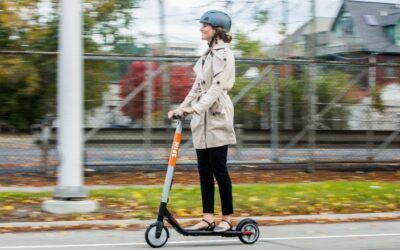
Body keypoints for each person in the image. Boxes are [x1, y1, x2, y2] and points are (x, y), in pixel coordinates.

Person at [168, 10, 236, 233]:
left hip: (216, 115)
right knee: (204, 171)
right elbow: (197, 87)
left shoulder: (224, 55)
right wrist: (181, 108)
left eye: (204, 25)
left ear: (217, 29)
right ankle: (208, 217)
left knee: (219, 170)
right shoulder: (206, 55)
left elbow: (216, 89)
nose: (201, 28)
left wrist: (194, 108)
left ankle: (227, 218)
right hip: (202, 118)